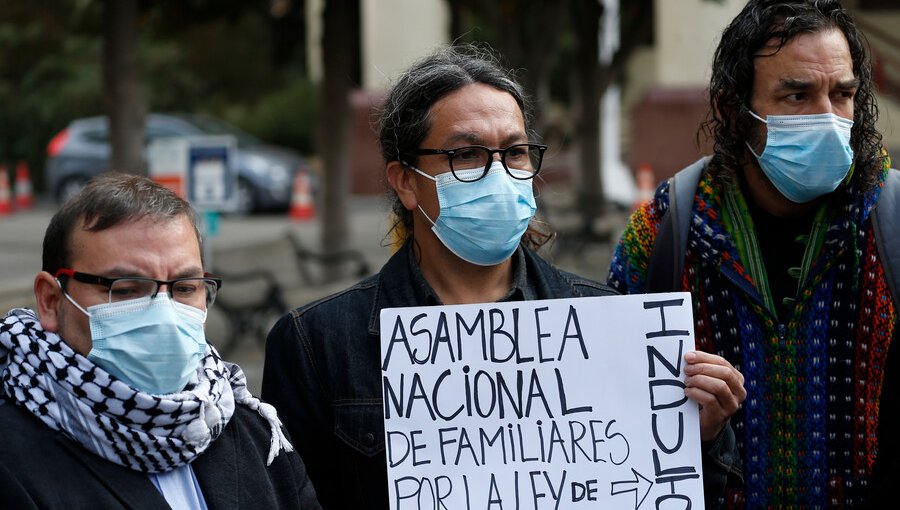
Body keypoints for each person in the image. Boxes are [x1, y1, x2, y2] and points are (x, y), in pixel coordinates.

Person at [262, 44, 745, 510]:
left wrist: (695, 437)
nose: (499, 174)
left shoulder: (607, 324)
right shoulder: (315, 345)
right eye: (466, 155)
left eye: (514, 152)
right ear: (406, 181)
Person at [608, 0, 898, 506]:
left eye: (843, 94)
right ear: (730, 110)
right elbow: (606, 420)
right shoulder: (663, 233)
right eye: (796, 96)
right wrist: (690, 434)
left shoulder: (893, 223)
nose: (827, 119)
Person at [0, 173, 320, 509]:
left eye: (184, 288)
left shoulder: (249, 429)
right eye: (125, 289)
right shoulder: (12, 457)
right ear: (51, 300)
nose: (165, 314)